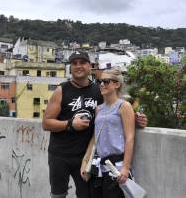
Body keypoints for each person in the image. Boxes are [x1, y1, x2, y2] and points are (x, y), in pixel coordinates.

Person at [42, 51, 147, 198]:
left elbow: (113, 111)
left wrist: (134, 119)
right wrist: (71, 124)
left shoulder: (98, 90)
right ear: (70, 68)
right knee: (58, 194)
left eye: (82, 63)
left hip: (86, 157)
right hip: (60, 154)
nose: (78, 66)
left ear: (89, 66)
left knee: (86, 195)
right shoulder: (61, 90)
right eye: (74, 63)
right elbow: (46, 123)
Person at [81, 68, 135, 198]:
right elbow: (95, 138)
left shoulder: (124, 106)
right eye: (100, 81)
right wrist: (85, 161)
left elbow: (130, 138)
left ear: (117, 84)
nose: (101, 84)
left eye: (106, 81)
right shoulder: (98, 108)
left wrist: (126, 168)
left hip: (116, 167)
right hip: (98, 168)